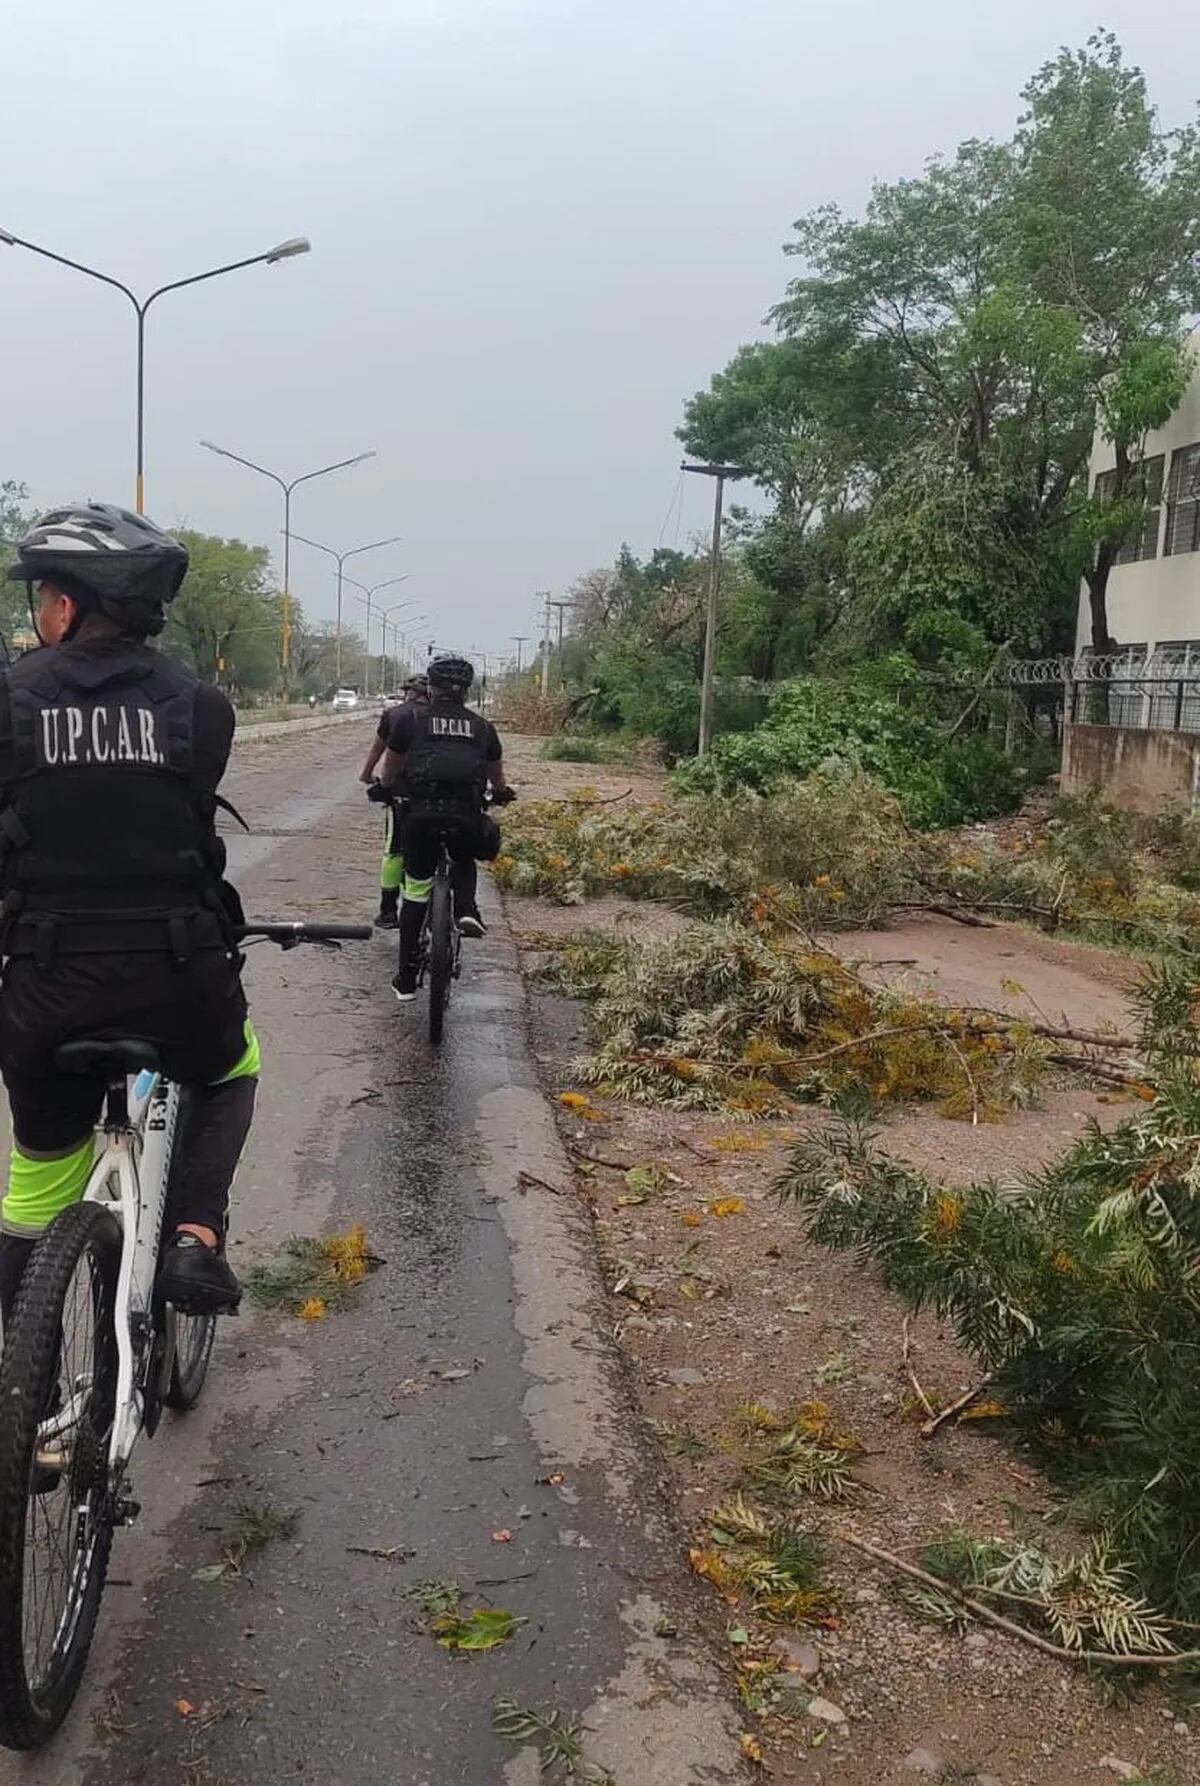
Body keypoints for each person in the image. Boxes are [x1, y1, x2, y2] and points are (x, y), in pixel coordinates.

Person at [0, 502, 258, 1332]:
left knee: (34, 1194)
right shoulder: (201, 705)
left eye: (40, 597)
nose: (38, 613)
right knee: (231, 1067)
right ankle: (193, 1234)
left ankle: (14, 1374)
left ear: (66, 608)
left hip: (45, 986)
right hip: (177, 977)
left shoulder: (10, 701)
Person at [370, 654, 514, 1001]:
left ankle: (405, 980)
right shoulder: (482, 728)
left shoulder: (410, 722)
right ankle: (465, 909)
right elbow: (497, 779)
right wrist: (502, 794)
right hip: (465, 815)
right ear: (467, 691)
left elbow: (390, 771)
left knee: (416, 892)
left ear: (430, 688)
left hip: (420, 817)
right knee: (464, 859)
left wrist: (384, 788)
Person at [358, 674, 428, 929]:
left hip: (403, 791)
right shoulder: (440, 716)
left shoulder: (395, 715)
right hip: (439, 792)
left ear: (408, 692)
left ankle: (388, 910)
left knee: (395, 850)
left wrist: (367, 775)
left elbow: (378, 749)